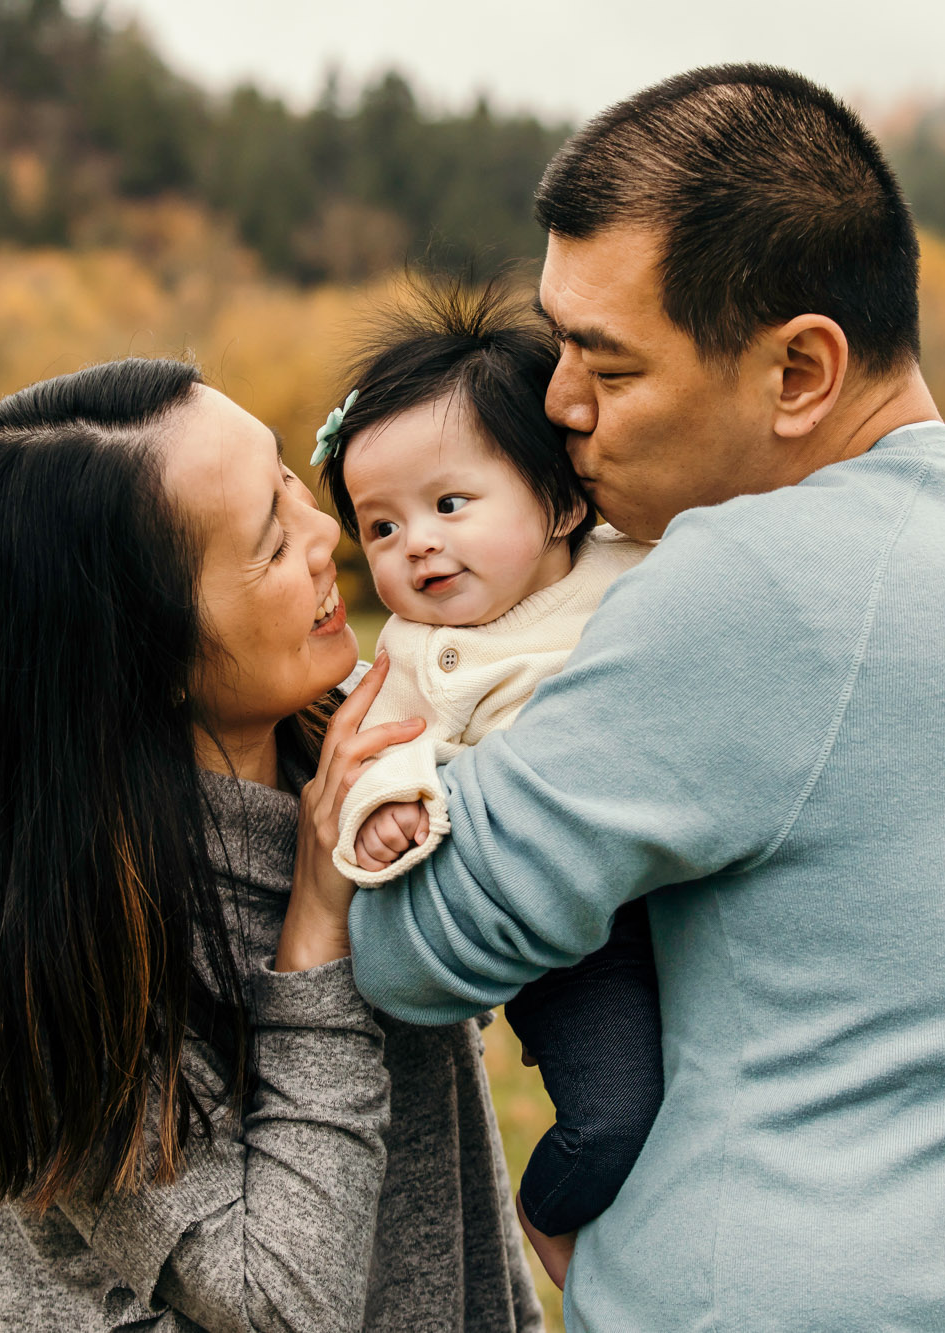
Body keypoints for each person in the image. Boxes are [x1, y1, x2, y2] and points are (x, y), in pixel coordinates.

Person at [306, 65, 945, 1331]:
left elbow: (423, 947)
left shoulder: (759, 577)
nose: (556, 403)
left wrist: (389, 781)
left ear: (800, 369)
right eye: (557, 339)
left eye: (609, 365)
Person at [0, 358, 543, 1332]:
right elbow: (282, 1306)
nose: (327, 535)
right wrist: (314, 942)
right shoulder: (56, 949)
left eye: (290, 481)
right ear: (146, 658)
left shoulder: (350, 753)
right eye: (267, 542)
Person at [310, 280, 664, 1280]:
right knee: (612, 1115)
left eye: (449, 504)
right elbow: (383, 752)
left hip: (675, 886)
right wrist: (386, 815)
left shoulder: (636, 566)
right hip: (569, 945)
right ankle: (549, 1210)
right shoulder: (417, 657)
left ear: (556, 499)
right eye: (378, 528)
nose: (415, 543)